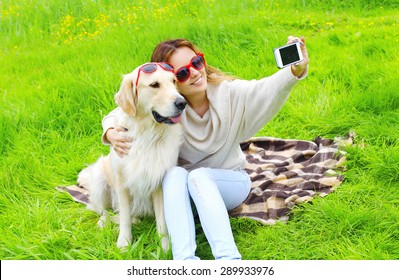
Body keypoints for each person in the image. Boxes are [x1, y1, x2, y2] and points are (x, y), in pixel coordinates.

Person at [102, 37, 309, 260]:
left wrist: (294, 70)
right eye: (182, 73)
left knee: (199, 176)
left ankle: (229, 261)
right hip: (185, 192)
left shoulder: (228, 93)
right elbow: (124, 111)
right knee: (173, 174)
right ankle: (185, 262)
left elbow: (264, 89)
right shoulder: (167, 111)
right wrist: (110, 130)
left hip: (230, 181)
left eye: (197, 62)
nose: (194, 73)